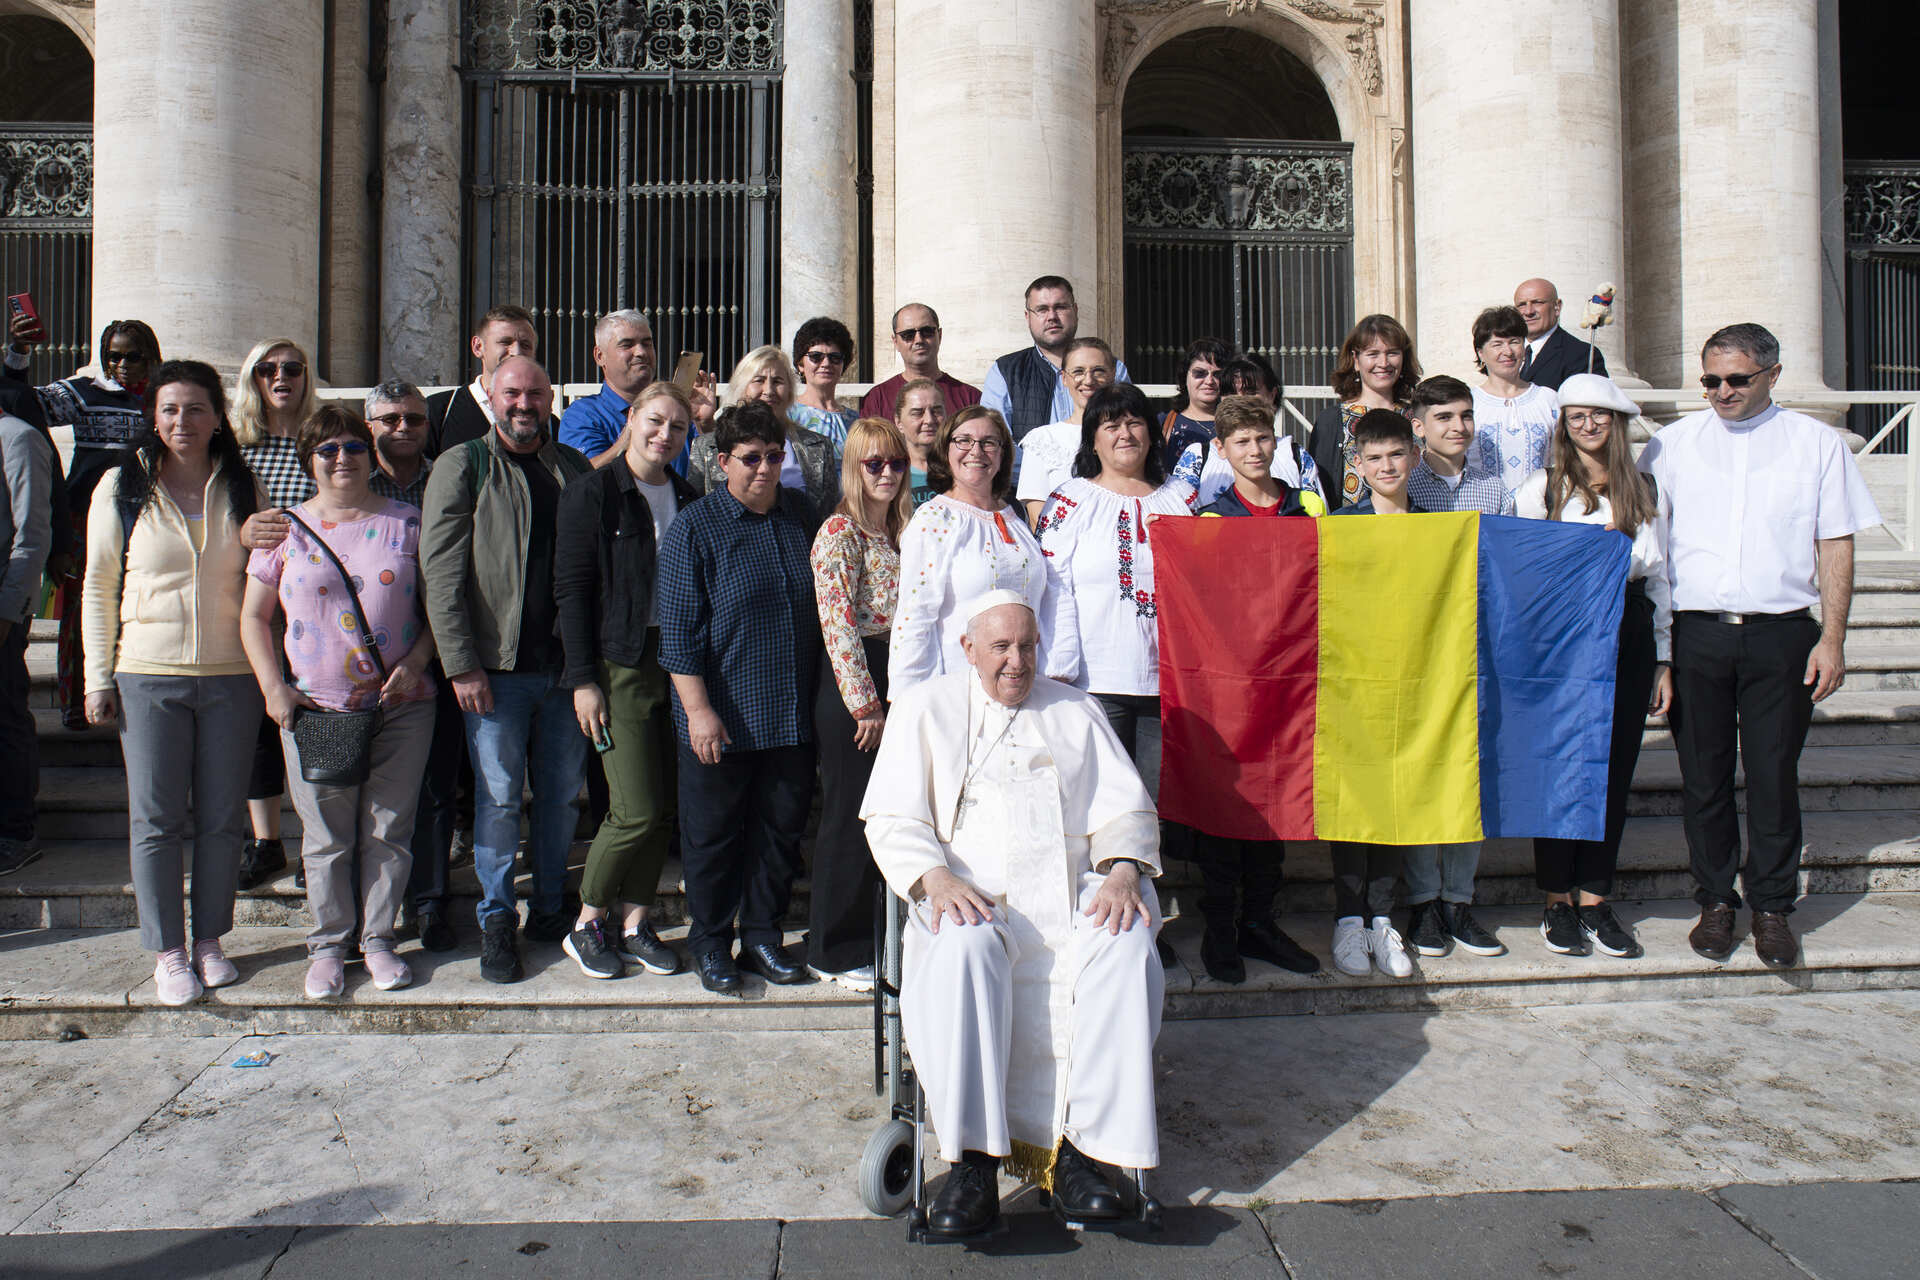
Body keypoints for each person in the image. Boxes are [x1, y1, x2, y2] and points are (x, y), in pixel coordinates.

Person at [862, 595, 1164, 1237]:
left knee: (1126, 939)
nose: (1016, 662)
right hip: (970, 894)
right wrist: (934, 877)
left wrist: (1122, 870)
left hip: (1072, 891)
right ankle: (973, 1163)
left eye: (1027, 645)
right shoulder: (925, 709)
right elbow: (891, 817)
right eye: (1000, 648)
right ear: (968, 648)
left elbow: (1127, 813)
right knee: (964, 946)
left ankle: (1084, 1154)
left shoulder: (1075, 709)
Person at [1640, 323, 1881, 969]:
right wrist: (1661, 653)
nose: (1722, 392)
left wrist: (1833, 638)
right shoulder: (1670, 446)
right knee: (1705, 780)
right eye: (1711, 380)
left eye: (1737, 379)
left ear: (1774, 374)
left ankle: (1772, 908)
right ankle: (1716, 902)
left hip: (1783, 633)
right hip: (1698, 633)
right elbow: (1652, 551)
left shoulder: (1816, 445)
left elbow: (1836, 542)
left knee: (1774, 777)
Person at [239, 404, 436, 999]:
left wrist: (419, 661)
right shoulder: (284, 529)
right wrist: (275, 688)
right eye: (328, 450)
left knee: (388, 828)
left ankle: (377, 939)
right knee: (326, 836)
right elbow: (253, 616)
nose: (342, 459)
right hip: (318, 708)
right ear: (309, 461)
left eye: (353, 447)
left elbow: (440, 611)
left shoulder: (408, 522)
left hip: (400, 705)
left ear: (369, 455)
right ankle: (327, 946)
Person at [83, 361, 262, 1005]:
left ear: (219, 416)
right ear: (152, 418)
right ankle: (167, 949)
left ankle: (210, 939)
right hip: (148, 673)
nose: (181, 422)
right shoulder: (122, 485)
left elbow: (267, 581)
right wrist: (97, 676)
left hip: (232, 675)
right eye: (168, 410)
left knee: (220, 819)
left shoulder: (244, 486)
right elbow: (100, 585)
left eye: (194, 409)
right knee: (155, 819)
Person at [421, 355, 594, 984]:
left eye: (535, 394)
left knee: (558, 797)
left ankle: (551, 906)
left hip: (565, 671)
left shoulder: (571, 467)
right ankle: (499, 918)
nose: (524, 404)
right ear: (490, 396)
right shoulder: (462, 464)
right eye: (512, 393)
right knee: (497, 799)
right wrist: (460, 662)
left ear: (552, 399)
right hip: (495, 673)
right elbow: (440, 572)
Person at [656, 399, 823, 995]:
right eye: (750, 459)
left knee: (778, 835)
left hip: (789, 713)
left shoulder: (803, 515)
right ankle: (710, 942)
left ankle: (761, 936)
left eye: (775, 457)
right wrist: (699, 712)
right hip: (721, 717)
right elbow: (677, 633)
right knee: (714, 837)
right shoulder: (694, 528)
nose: (764, 469)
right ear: (722, 461)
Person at [1515, 374, 1672, 960]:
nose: (1587, 425)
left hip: (1627, 629)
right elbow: (1524, 574)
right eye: (1576, 416)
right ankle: (1556, 897)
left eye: (1598, 416)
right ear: (1562, 423)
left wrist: (1663, 658)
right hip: (1563, 634)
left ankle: (1594, 897)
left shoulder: (1645, 488)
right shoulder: (1542, 489)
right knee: (1560, 765)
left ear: (1617, 423)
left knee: (1614, 765)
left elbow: (1659, 579)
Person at [554, 381, 698, 980]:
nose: (664, 435)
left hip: (677, 661)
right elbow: (572, 590)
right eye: (655, 421)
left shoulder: (688, 496)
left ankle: (637, 921)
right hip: (619, 662)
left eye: (678, 428)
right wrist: (583, 678)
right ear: (631, 418)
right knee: (633, 807)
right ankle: (587, 921)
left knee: (662, 807)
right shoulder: (594, 493)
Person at [5, 316, 159, 731]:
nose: (123, 364)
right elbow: (22, 401)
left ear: (151, 357)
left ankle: (135, 702)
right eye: (114, 356)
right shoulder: (85, 392)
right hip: (85, 519)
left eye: (134, 356)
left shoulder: (165, 399)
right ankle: (78, 704)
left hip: (150, 519)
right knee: (80, 611)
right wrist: (20, 351)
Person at [1034, 382, 1193, 768]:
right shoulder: (1069, 501)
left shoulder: (1185, 499)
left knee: (1158, 810)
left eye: (1135, 422)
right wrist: (1059, 668)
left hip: (1169, 684)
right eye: (1111, 426)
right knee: (1102, 804)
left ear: (1151, 434)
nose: (1125, 434)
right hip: (1093, 682)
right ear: (1092, 441)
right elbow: (1052, 586)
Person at [808, 417, 913, 990]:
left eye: (896, 463)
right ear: (853, 467)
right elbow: (837, 623)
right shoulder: (839, 533)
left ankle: (877, 937)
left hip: (898, 674)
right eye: (874, 463)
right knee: (849, 818)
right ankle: (833, 949)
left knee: (889, 816)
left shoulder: (902, 529)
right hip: (857, 683)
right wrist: (864, 704)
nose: (887, 474)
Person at [364, 381, 461, 952]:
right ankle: (372, 907)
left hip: (439, 653)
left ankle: (429, 902)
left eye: (415, 419)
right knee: (368, 792)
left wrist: (428, 652)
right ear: (369, 423)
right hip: (362, 664)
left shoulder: (446, 475)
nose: (403, 427)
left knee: (433, 789)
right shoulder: (349, 475)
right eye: (391, 418)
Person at [1325, 410, 1422, 979]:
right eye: (1375, 457)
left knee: (1395, 800)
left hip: (1414, 681)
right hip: (1351, 682)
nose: (1387, 466)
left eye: (1396, 454)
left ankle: (1382, 918)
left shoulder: (1438, 528)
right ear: (1357, 464)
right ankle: (1347, 919)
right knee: (1352, 800)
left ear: (1412, 455)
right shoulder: (1341, 525)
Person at [891, 405, 1080, 697]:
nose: (975, 451)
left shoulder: (1013, 517)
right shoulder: (934, 519)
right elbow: (915, 615)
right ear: (945, 448)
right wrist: (911, 700)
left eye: (988, 442)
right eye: (963, 440)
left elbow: (1045, 597)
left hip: (1025, 686)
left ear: (1002, 454)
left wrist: (1059, 672)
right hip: (960, 691)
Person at [230, 339, 321, 892]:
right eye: (267, 368)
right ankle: (266, 841)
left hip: (316, 600)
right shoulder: (237, 447)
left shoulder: (322, 437)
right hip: (257, 598)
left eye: (291, 368)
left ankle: (317, 842)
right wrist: (241, 531)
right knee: (260, 728)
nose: (280, 377)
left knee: (311, 721)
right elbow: (216, 517)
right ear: (253, 378)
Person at [685, 346, 840, 520]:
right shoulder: (706, 446)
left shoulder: (817, 446)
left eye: (778, 381)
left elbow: (828, 516)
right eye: (759, 380)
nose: (769, 391)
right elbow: (693, 511)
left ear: (789, 390)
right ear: (742, 387)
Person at [0, 400, 53, 874]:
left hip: (2, 609)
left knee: (6, 718)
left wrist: (7, 612)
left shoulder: (17, 439)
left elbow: (32, 535)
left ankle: (18, 831)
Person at [981, 276, 1132, 440]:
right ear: (1027, 317)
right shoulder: (1005, 372)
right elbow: (994, 439)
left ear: (1075, 311)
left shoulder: (1111, 367)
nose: (1052, 316)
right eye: (1042, 309)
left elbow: (1127, 427)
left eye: (1060, 307)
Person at [1307, 315, 1422, 511]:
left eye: (1392, 353)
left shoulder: (1417, 416)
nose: (1384, 363)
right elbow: (1320, 489)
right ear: (1356, 360)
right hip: (1352, 532)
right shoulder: (1333, 420)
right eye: (1373, 354)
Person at [1014, 336, 1116, 524]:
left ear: (1113, 375)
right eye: (1078, 371)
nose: (1088, 380)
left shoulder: (1127, 437)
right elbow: (1038, 519)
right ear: (1064, 379)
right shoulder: (1041, 440)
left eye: (1099, 371)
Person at [426, 304, 551, 456]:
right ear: (478, 347)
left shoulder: (547, 422)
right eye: (505, 342)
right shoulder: (438, 411)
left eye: (525, 345)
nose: (517, 352)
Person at [1174, 393, 1327, 512]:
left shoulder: (1309, 506)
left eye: (1263, 438)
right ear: (1220, 448)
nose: (1255, 451)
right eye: (1242, 442)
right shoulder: (1213, 519)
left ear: (1275, 441)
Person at [1469, 305, 1560, 496]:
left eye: (1514, 342)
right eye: (1497, 344)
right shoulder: (1469, 402)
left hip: (1540, 512)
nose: (1508, 351)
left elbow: (1562, 459)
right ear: (1480, 353)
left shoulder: (1548, 399)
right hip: (1484, 512)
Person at [1406, 375, 1516, 518]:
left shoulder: (1494, 490)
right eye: (1444, 417)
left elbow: (1505, 538)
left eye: (1466, 416)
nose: (1459, 427)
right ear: (1419, 427)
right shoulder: (1405, 485)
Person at [860, 303, 982, 421]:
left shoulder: (970, 399)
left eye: (927, 331)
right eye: (908, 334)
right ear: (895, 342)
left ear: (939, 335)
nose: (918, 340)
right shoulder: (877, 399)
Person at [1514, 278, 1608, 390]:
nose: (1528, 311)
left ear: (1557, 307)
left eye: (1537, 302)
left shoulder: (1583, 355)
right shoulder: (1504, 352)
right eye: (1522, 305)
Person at [1158, 337, 1232, 471]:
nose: (1209, 381)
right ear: (1184, 376)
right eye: (1200, 373)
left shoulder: (1238, 424)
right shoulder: (1163, 424)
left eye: (1218, 374)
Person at [789, 316, 858, 451]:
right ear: (800, 364)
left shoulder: (856, 421)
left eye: (835, 358)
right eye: (816, 356)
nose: (826, 364)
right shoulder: (788, 417)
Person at [894, 377, 943, 508]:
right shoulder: (890, 472)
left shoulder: (960, 471)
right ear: (899, 423)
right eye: (917, 413)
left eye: (936, 411)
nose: (929, 420)